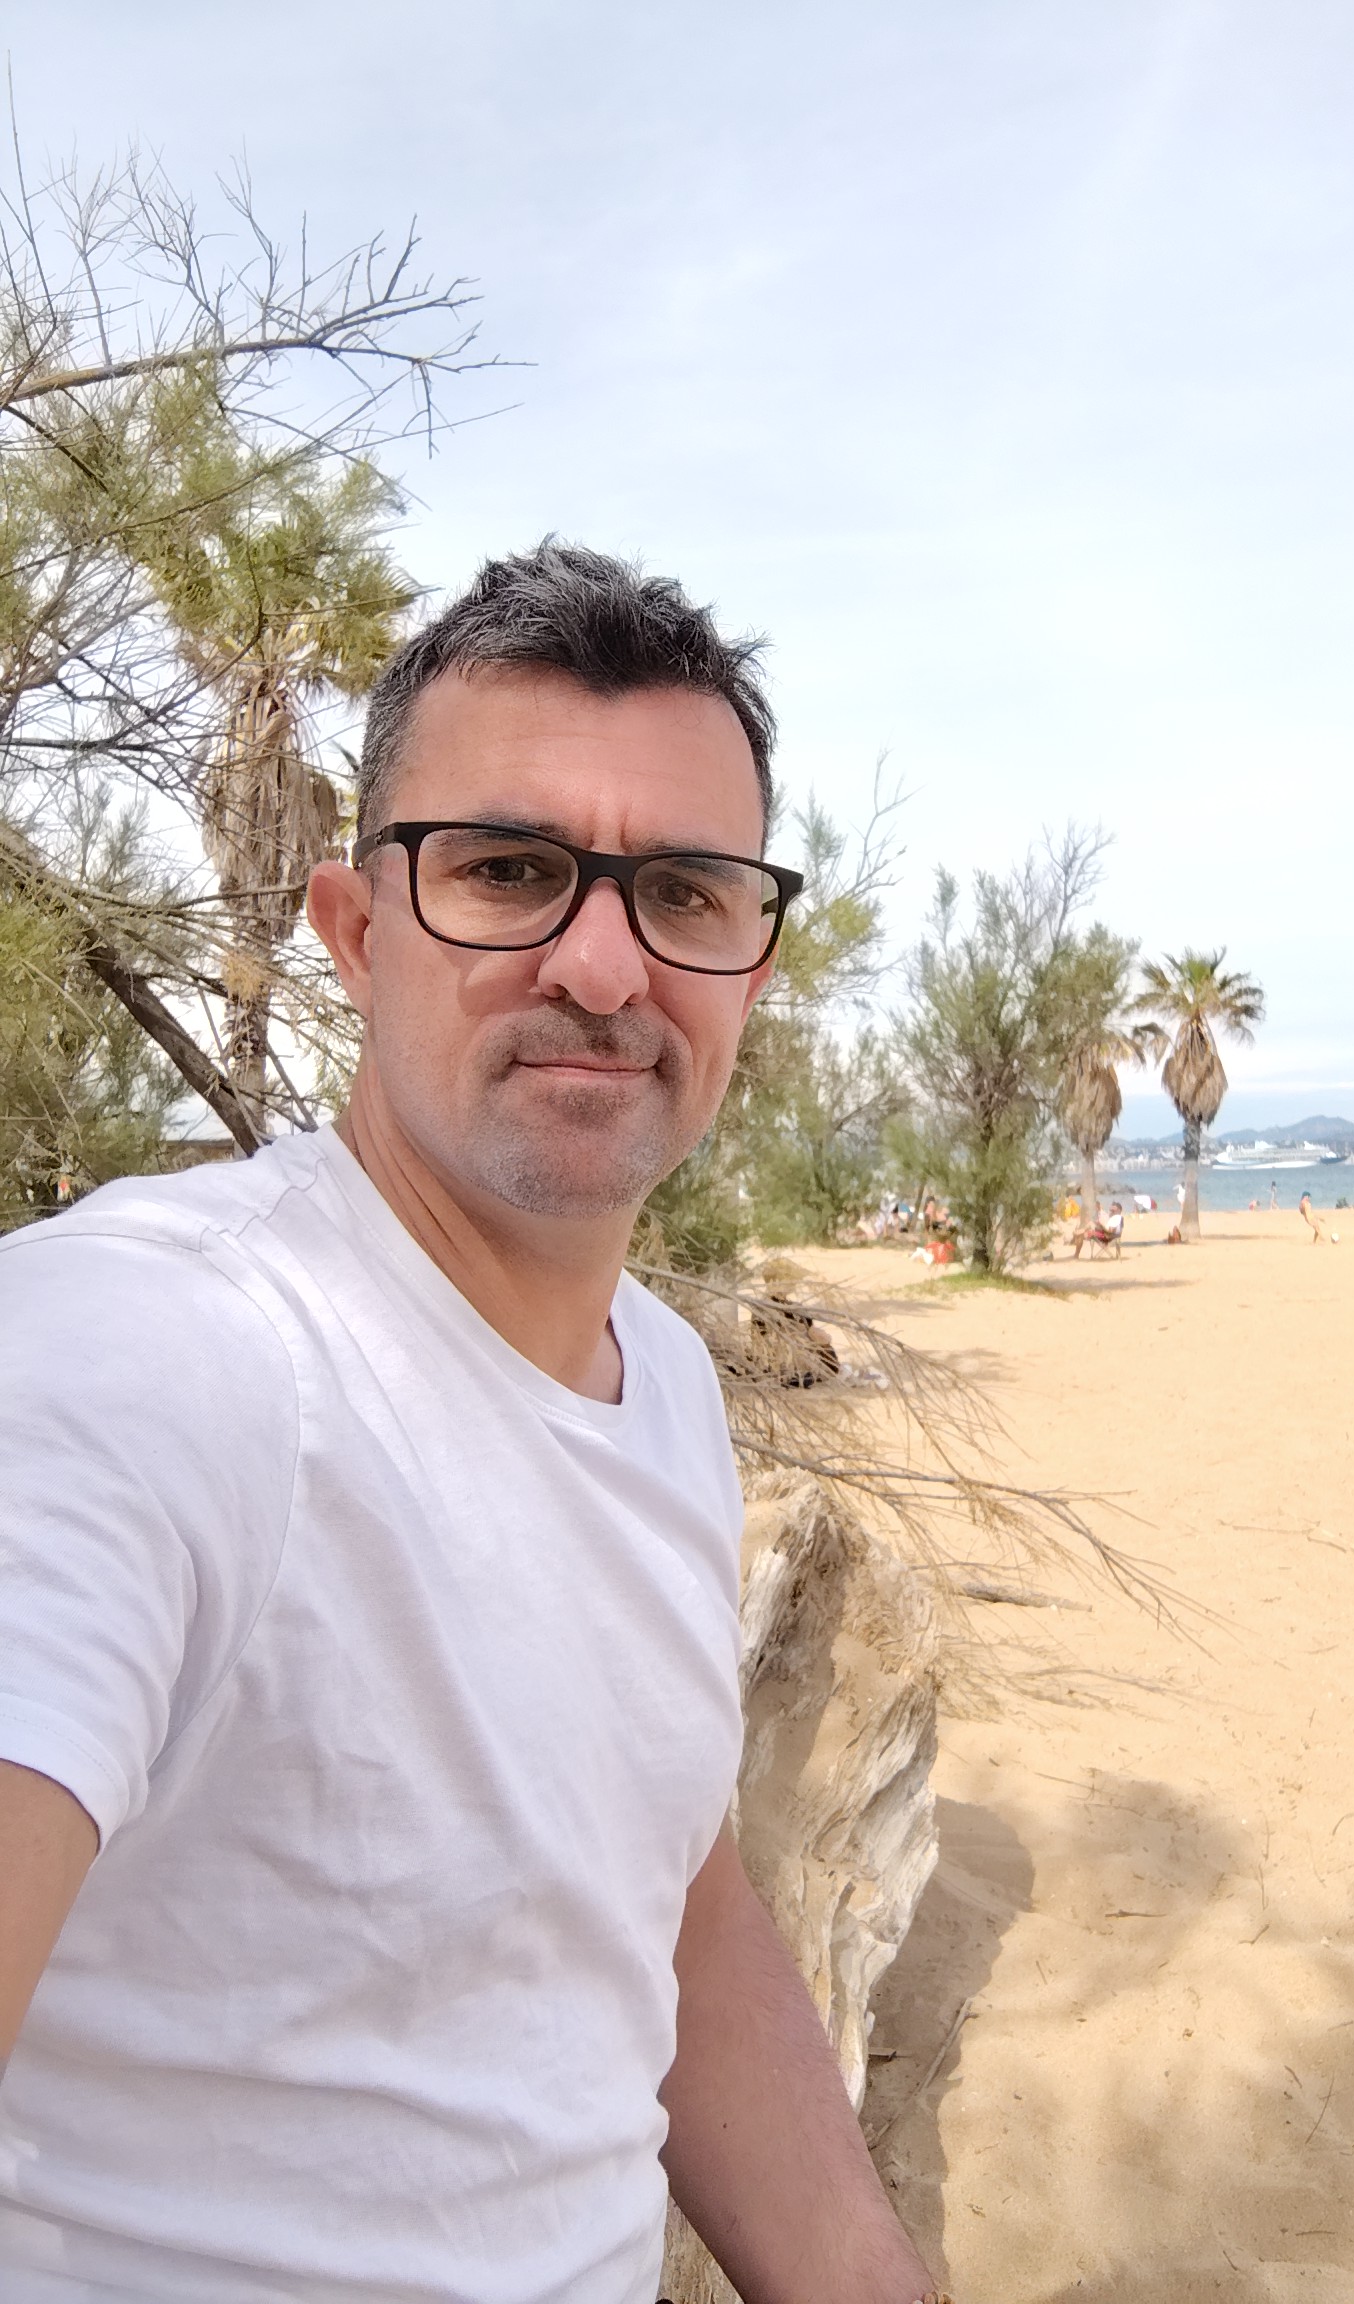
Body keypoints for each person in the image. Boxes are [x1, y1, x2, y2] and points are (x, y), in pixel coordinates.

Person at [0, 547, 938, 2304]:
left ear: (750, 964)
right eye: (507, 870)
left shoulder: (664, 1382)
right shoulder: (148, 1356)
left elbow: (666, 1898)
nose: (604, 965)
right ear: (356, 933)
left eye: (684, 891)